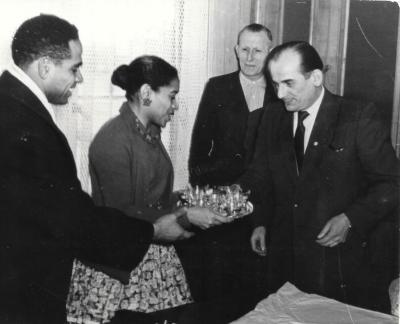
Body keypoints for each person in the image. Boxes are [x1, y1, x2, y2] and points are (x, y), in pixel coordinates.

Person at [0, 14, 194, 324]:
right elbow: (72, 218)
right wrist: (155, 230)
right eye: (74, 67)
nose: (79, 79)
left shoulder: (2, 108)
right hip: (13, 298)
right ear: (45, 67)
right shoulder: (23, 125)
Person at [66, 55, 231, 323]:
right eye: (172, 95)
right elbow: (121, 216)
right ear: (146, 93)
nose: (175, 105)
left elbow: (155, 198)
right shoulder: (113, 139)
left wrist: (192, 202)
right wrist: (185, 214)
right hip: (120, 267)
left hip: (152, 254)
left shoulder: (149, 132)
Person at [241, 41, 399, 312]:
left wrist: (351, 219)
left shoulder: (358, 116)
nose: (280, 94)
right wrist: (260, 222)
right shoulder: (270, 118)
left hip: (339, 264)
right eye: (275, 84)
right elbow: (261, 178)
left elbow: (392, 183)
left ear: (315, 77)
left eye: (288, 83)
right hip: (285, 261)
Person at [180, 23, 277, 303]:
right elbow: (198, 149)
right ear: (236, 50)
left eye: (257, 51)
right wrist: (208, 200)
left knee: (257, 286)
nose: (249, 57)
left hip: (263, 201)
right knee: (219, 284)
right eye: (244, 49)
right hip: (222, 200)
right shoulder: (218, 87)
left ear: (269, 52)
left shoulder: (279, 91)